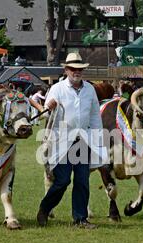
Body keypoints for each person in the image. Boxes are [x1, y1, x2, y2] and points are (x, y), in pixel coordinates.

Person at [36, 52, 107, 229]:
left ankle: (80, 219)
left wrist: (98, 140)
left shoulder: (90, 89)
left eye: (79, 69)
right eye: (73, 69)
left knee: (82, 180)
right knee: (62, 181)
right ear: (66, 70)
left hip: (83, 140)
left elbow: (94, 116)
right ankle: (45, 208)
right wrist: (49, 106)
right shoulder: (57, 89)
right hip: (62, 141)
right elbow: (47, 112)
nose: (77, 72)